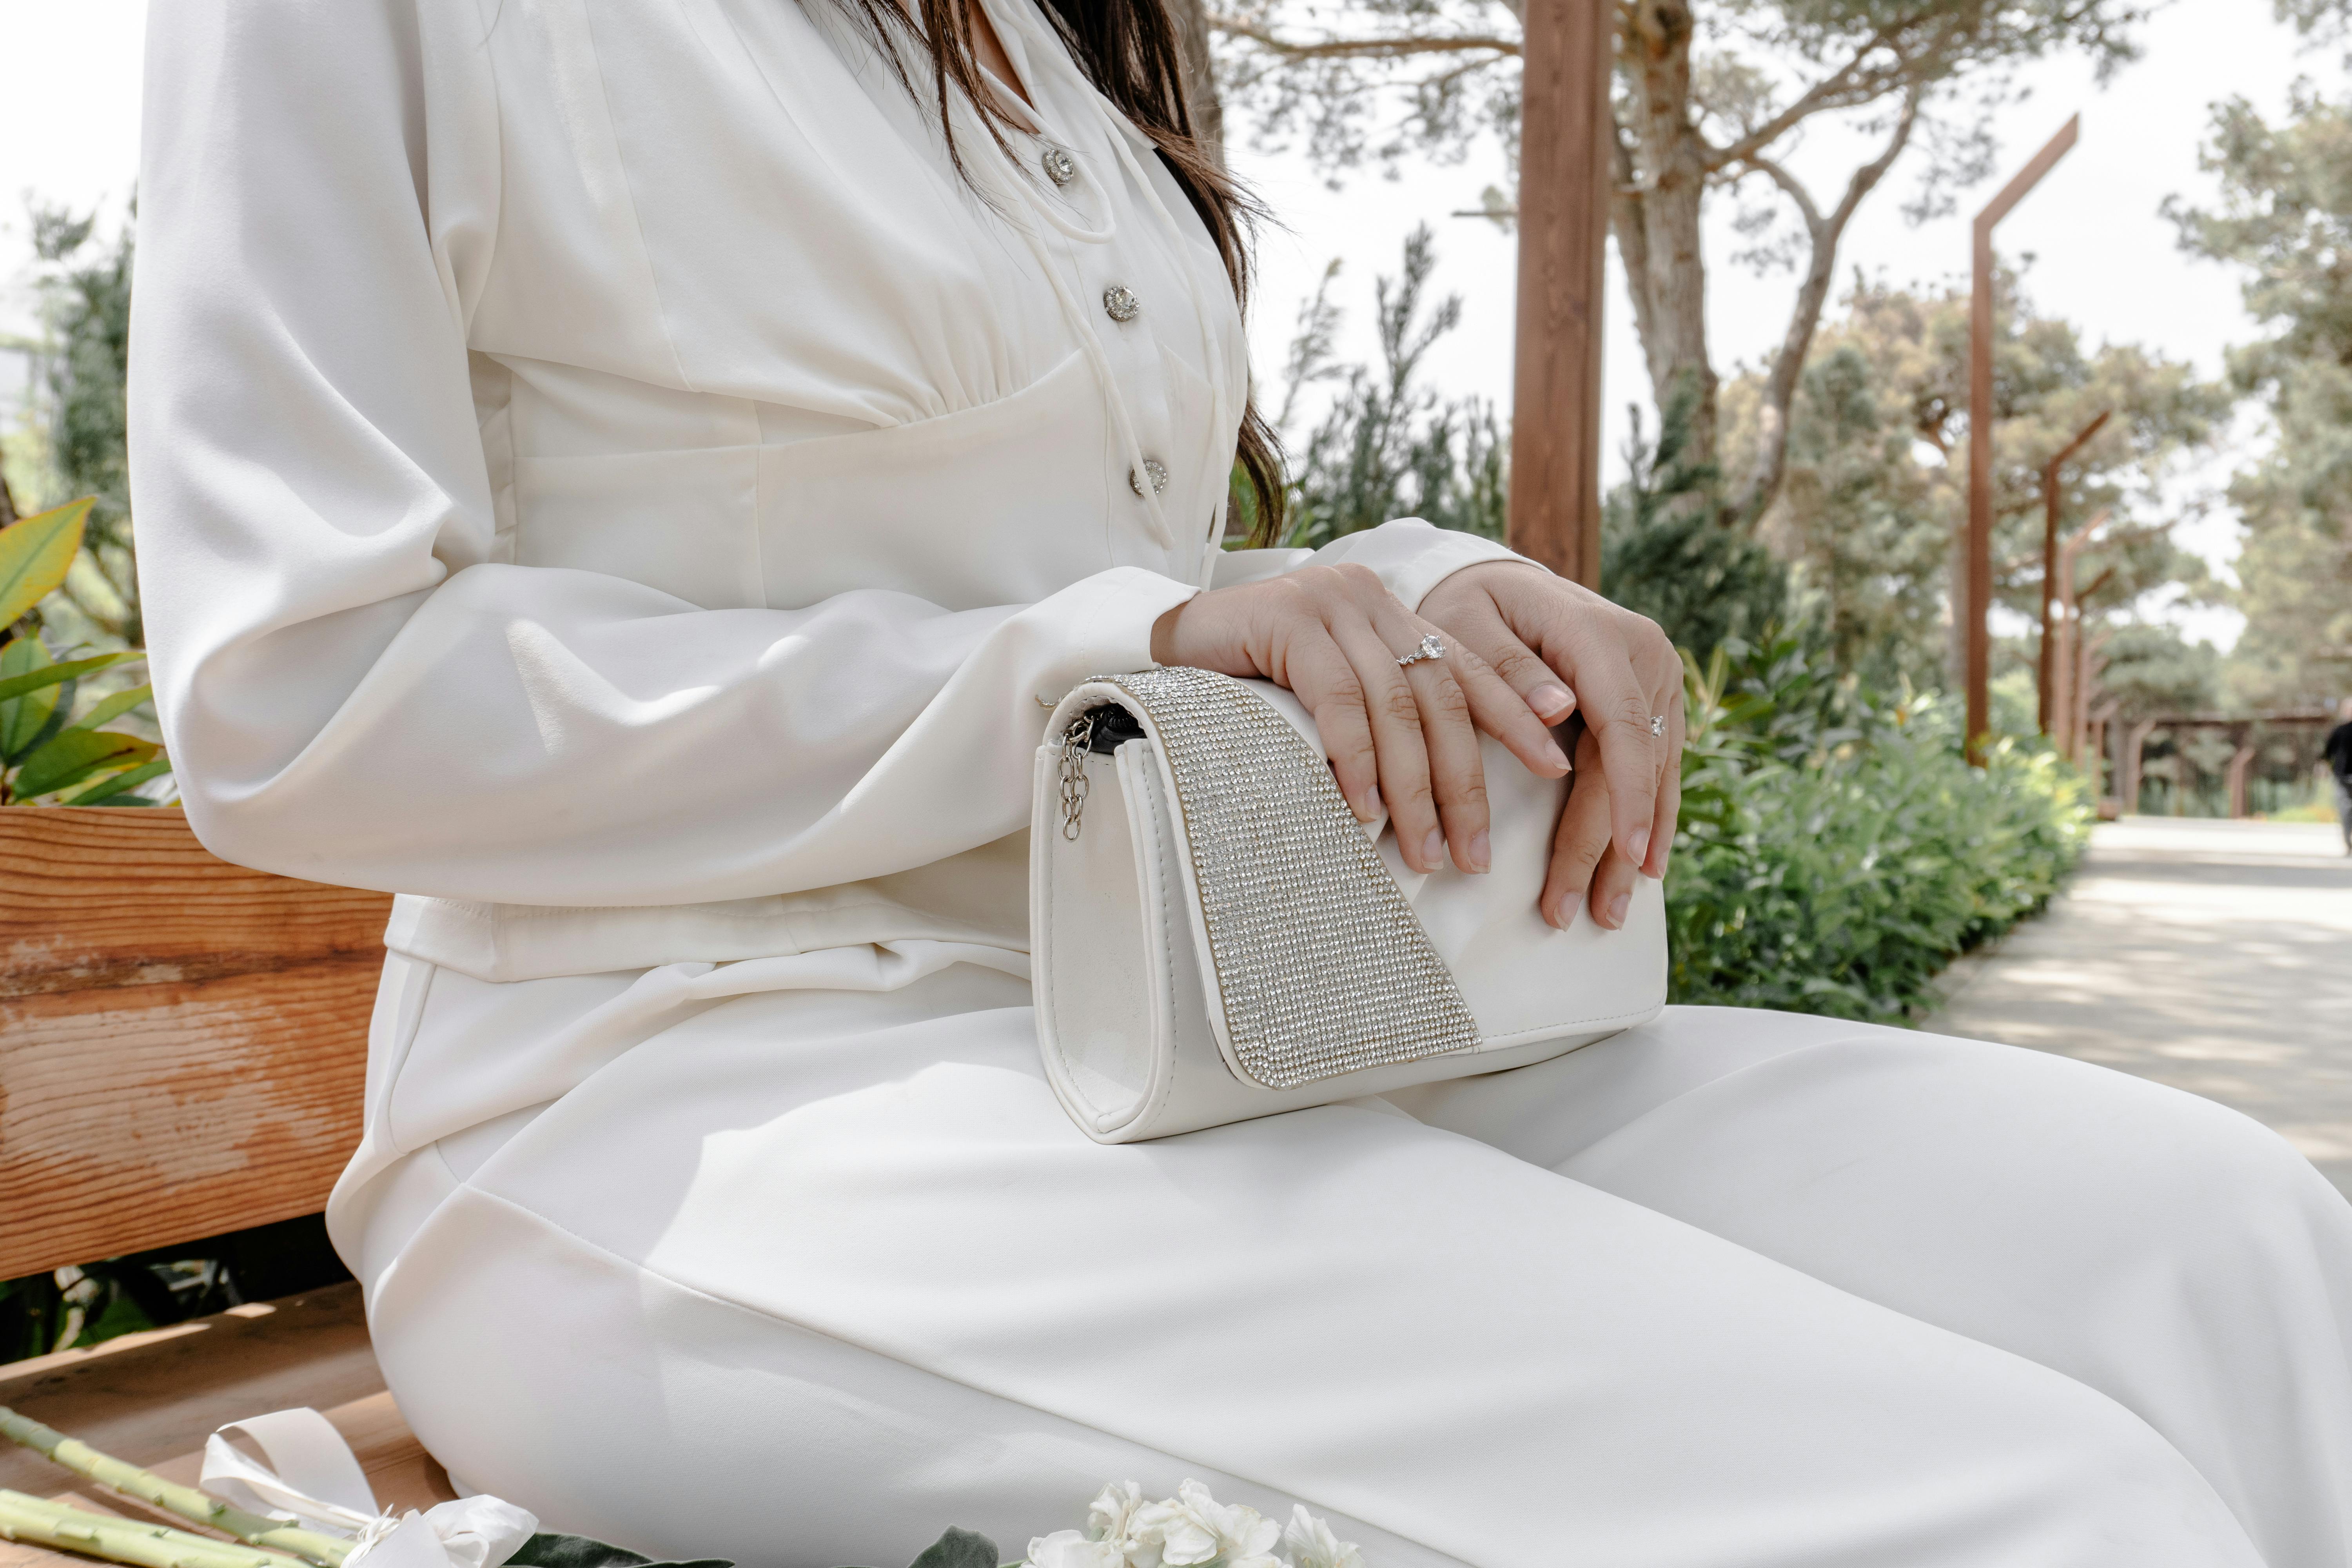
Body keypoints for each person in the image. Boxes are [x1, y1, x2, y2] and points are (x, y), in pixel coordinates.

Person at [129, 2, 2352, 1564]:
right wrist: (1085, 664)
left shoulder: (1036, 44)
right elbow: (297, 692)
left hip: (1226, 1032)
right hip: (680, 1107)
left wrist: (1418, 590)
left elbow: (1119, 583)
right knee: (2018, 1513)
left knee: (2219, 1248)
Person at [2327, 699, 2352, 853]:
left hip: (2343, 775)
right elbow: (2329, 753)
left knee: (2347, 810)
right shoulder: (2340, 731)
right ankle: (2348, 843)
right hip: (2343, 778)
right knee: (2346, 810)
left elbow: (2328, 754)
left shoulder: (2340, 730)